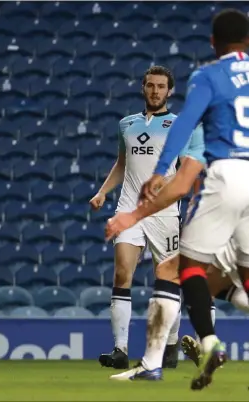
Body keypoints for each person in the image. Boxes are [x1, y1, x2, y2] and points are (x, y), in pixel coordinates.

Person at [137, 9, 249, 390]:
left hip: (228, 172)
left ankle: (210, 340)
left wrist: (161, 167)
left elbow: (186, 122)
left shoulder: (210, 75)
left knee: (188, 265)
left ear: (213, 42)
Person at [89, 65, 203, 370]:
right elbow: (122, 164)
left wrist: (165, 185)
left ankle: (169, 343)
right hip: (128, 209)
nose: (155, 91)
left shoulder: (179, 125)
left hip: (164, 212)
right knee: (121, 274)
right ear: (143, 87)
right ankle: (120, 350)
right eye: (150, 85)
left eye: (161, 86)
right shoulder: (126, 124)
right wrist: (102, 192)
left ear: (169, 91)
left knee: (165, 281)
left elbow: (185, 172)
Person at [105, 151, 249, 380]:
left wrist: (134, 215)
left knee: (170, 271)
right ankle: (199, 347)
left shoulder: (206, 132)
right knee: (216, 284)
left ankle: (155, 364)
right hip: (239, 216)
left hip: (229, 212)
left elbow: (181, 185)